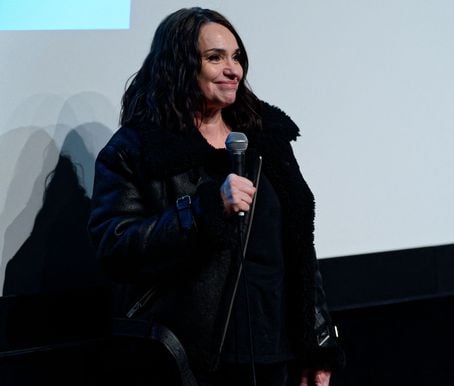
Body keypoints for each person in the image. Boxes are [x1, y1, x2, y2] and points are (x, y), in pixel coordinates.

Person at [89, 7, 343, 386]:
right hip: (191, 359)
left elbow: (299, 248)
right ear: (179, 65)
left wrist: (316, 343)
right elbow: (116, 247)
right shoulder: (138, 149)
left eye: (236, 57)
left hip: (274, 352)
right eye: (215, 57)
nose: (233, 69)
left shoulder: (264, 138)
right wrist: (204, 209)